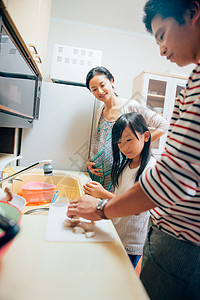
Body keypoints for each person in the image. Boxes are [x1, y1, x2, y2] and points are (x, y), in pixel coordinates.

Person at [68, 0, 200, 299]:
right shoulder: (193, 80)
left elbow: (174, 175)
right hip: (151, 216)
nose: (162, 50)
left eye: (163, 35)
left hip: (179, 239)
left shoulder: (133, 106)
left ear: (192, 13)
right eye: (93, 89)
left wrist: (103, 208)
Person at [84, 112, 156, 268]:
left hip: (130, 242)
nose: (124, 147)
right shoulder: (126, 165)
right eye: (119, 142)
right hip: (115, 232)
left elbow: (137, 208)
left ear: (146, 136)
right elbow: (117, 197)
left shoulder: (150, 169)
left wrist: (102, 193)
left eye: (129, 139)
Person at [86, 66, 169, 192]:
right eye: (94, 89)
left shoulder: (130, 106)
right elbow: (99, 140)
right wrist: (90, 160)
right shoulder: (100, 110)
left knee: (116, 206)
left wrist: (142, 142)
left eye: (102, 85)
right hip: (97, 175)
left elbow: (164, 125)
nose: (100, 91)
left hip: (117, 172)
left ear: (111, 81)